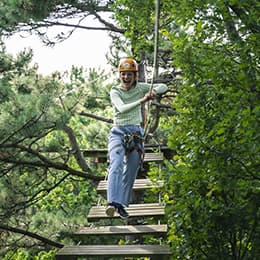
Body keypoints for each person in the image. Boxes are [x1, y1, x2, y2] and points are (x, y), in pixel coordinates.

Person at [106, 58, 168, 219]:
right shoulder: (115, 91)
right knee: (117, 163)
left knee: (132, 168)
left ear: (135, 76)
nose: (126, 78)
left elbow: (163, 87)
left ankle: (121, 204)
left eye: (129, 75)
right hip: (118, 133)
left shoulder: (140, 87)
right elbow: (121, 108)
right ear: (120, 75)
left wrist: (154, 91)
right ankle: (112, 202)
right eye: (123, 74)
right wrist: (143, 100)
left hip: (135, 134)